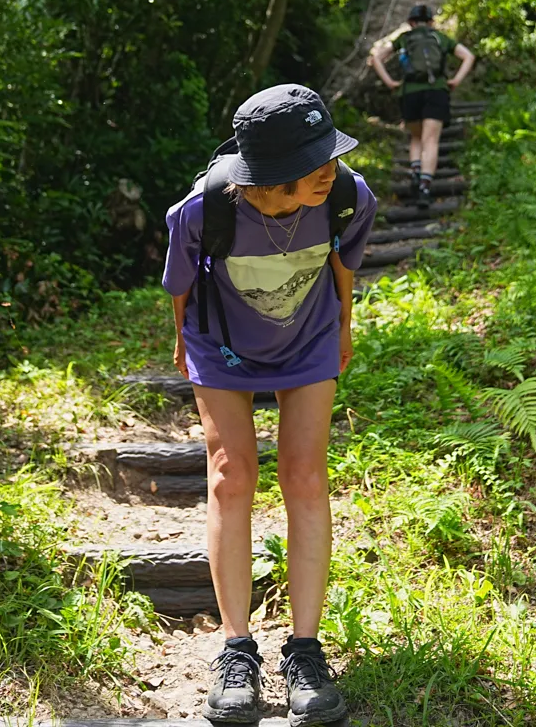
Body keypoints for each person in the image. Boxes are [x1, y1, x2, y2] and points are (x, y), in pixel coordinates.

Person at [162, 84, 378, 725]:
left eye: (330, 156)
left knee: (305, 477)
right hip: (221, 341)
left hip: (309, 334)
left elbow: (343, 261)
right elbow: (180, 287)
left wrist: (342, 328)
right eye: (312, 165)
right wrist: (183, 345)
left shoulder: (345, 196)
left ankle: (305, 652)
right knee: (232, 477)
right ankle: (236, 650)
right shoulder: (203, 211)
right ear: (267, 176)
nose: (329, 172)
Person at [367, 3, 475, 204]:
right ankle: (425, 187)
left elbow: (376, 57)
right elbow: (468, 56)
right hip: (436, 91)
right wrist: (455, 81)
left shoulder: (405, 39)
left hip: (410, 93)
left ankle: (416, 171)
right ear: (432, 22)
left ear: (411, 23)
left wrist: (390, 82)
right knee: (431, 140)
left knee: (416, 137)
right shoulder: (440, 38)